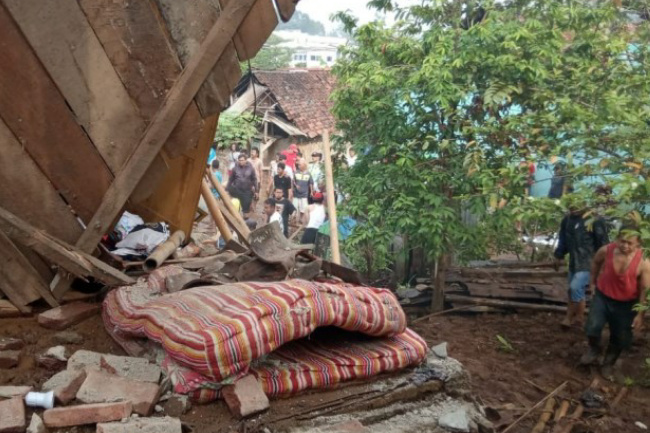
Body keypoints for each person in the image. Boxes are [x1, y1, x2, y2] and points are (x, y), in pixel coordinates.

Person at [580, 224, 650, 378]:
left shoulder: (643, 262)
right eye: (622, 241)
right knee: (592, 326)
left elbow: (645, 290)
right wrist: (592, 283)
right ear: (617, 238)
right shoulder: (606, 250)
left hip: (626, 304)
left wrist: (640, 315)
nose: (625, 246)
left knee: (621, 337)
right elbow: (595, 262)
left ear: (638, 243)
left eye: (630, 243)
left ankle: (609, 363)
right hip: (603, 296)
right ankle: (594, 348)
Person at [554, 202, 609, 329]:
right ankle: (579, 318)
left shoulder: (594, 220)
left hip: (589, 262)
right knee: (575, 291)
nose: (573, 208)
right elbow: (563, 240)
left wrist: (602, 265)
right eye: (571, 206)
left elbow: (604, 244)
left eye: (576, 205)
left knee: (575, 287)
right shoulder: (567, 220)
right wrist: (558, 255)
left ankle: (568, 318)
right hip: (574, 262)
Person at [227, 153, 257, 218]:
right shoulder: (235, 169)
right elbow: (230, 180)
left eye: (242, 160)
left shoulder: (251, 168)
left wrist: (256, 190)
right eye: (239, 160)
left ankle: (245, 221)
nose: (241, 162)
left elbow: (254, 179)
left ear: (246, 160)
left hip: (247, 192)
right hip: (237, 190)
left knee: (246, 212)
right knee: (235, 208)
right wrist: (227, 189)